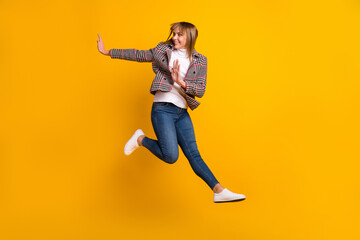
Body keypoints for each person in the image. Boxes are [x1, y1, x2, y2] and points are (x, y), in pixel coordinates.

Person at [97, 22, 246, 203]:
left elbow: (200, 90)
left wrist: (181, 82)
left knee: (194, 154)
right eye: (174, 34)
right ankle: (140, 139)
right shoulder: (163, 50)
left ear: (189, 37)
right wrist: (108, 52)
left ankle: (219, 190)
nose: (174, 37)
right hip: (162, 109)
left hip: (181, 112)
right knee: (171, 156)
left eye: (179, 35)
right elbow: (139, 55)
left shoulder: (200, 60)